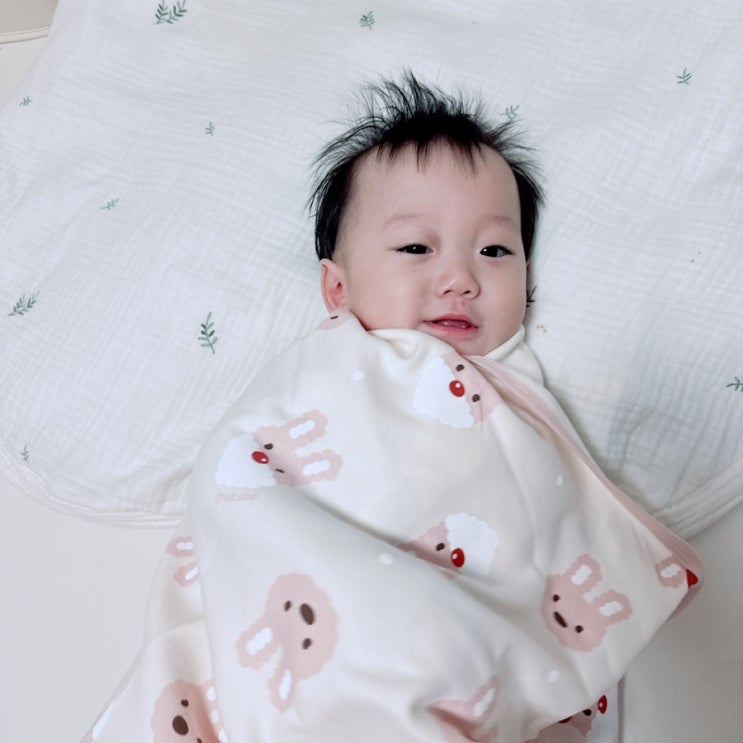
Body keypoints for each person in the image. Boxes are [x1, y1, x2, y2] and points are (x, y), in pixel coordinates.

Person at [309, 71, 543, 358]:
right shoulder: (324, 366)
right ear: (339, 289)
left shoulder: (517, 377)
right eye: (416, 248)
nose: (460, 281)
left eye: (493, 251)